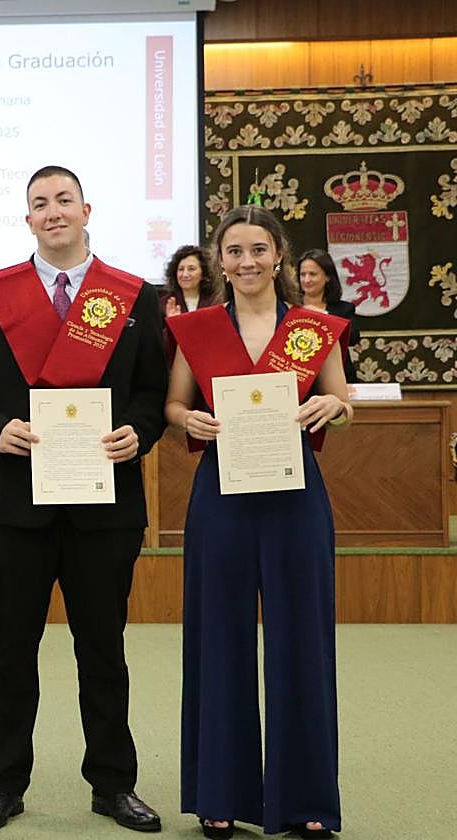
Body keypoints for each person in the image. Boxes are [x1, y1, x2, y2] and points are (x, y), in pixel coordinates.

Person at [0, 165, 167, 834]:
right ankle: (3, 783)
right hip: (13, 503)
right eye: (40, 203)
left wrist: (140, 432)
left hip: (105, 503)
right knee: (12, 649)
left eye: (64, 199)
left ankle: (114, 785)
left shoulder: (133, 295)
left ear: (86, 209)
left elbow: (153, 393)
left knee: (104, 649)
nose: (53, 211)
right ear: (28, 218)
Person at [165, 205, 351, 840]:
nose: (247, 261)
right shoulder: (196, 329)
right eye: (235, 251)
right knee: (218, 638)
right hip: (222, 495)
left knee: (303, 640)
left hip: (295, 497)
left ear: (279, 256)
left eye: (259, 250)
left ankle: (307, 800)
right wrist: (186, 419)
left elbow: (342, 400)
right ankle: (220, 793)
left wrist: (332, 407)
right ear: (220, 261)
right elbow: (174, 403)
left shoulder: (312, 328)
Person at [297, 249, 360, 383]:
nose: (306, 280)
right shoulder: (289, 307)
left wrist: (323, 318)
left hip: (338, 378)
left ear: (327, 277)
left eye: (312, 274)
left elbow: (353, 338)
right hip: (300, 376)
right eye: (302, 274)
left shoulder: (344, 309)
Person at [161, 245, 216, 317]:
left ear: (204, 273)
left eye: (191, 269)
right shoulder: (164, 303)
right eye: (181, 269)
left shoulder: (215, 301)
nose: (185, 274)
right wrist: (173, 321)